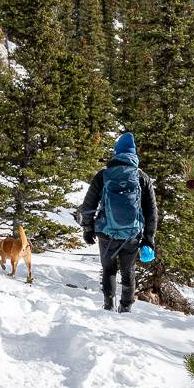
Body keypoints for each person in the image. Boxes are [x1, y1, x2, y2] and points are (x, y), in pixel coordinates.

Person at [79, 131, 157, 312]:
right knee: (128, 271)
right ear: (133, 153)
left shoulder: (103, 175)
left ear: (116, 152)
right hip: (132, 234)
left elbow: (88, 205)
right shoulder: (142, 178)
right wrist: (148, 239)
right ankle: (126, 308)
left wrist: (88, 229)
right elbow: (151, 211)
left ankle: (108, 305)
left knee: (108, 269)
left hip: (106, 233)